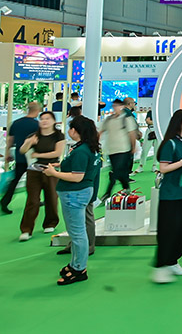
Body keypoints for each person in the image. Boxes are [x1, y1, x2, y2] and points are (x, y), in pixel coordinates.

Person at [43, 115, 100, 285]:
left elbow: (77, 176)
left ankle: (79, 268)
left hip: (74, 193)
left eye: (70, 128)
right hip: (80, 192)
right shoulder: (88, 148)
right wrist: (62, 166)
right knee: (77, 232)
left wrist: (54, 173)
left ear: (75, 130)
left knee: (77, 233)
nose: (68, 131)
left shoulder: (81, 151)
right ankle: (75, 264)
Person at [152, 109, 182, 284]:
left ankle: (173, 261)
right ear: (178, 121)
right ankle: (160, 266)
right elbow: (163, 168)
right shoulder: (170, 144)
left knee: (181, 229)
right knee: (168, 231)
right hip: (170, 194)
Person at [18, 111, 65, 241]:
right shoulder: (33, 136)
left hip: (51, 169)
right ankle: (26, 230)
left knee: (51, 197)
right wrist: (29, 143)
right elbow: (22, 150)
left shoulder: (59, 136)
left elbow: (57, 153)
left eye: (47, 118)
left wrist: (38, 155)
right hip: (34, 171)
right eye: (42, 119)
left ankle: (50, 223)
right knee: (32, 200)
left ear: (53, 121)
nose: (44, 121)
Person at [1, 102, 41, 214]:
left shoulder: (16, 123)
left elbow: (10, 140)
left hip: (20, 156)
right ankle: (35, 200)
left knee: (15, 180)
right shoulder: (37, 125)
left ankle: (5, 201)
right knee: (35, 181)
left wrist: (7, 153)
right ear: (37, 111)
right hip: (33, 157)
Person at [100, 99, 139, 201]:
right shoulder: (109, 119)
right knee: (120, 171)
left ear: (122, 106)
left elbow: (132, 133)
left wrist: (133, 146)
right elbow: (101, 131)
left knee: (115, 171)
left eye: (117, 106)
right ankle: (126, 187)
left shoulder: (127, 119)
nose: (115, 108)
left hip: (124, 149)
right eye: (114, 106)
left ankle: (108, 193)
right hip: (112, 150)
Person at [136, 108, 158, 174]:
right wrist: (157, 122)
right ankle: (141, 165)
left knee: (157, 149)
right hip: (150, 130)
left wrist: (155, 122)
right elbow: (148, 121)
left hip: (158, 131)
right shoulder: (151, 112)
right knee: (145, 149)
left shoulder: (161, 112)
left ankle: (154, 166)